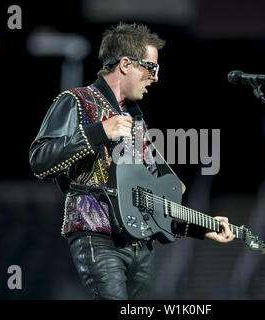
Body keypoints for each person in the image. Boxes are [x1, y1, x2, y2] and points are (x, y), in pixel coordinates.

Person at [29, 22, 236, 300]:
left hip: (140, 242)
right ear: (126, 64)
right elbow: (39, 159)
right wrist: (100, 131)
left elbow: (154, 199)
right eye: (151, 68)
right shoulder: (76, 101)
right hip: (97, 235)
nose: (155, 77)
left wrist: (203, 227)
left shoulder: (138, 121)